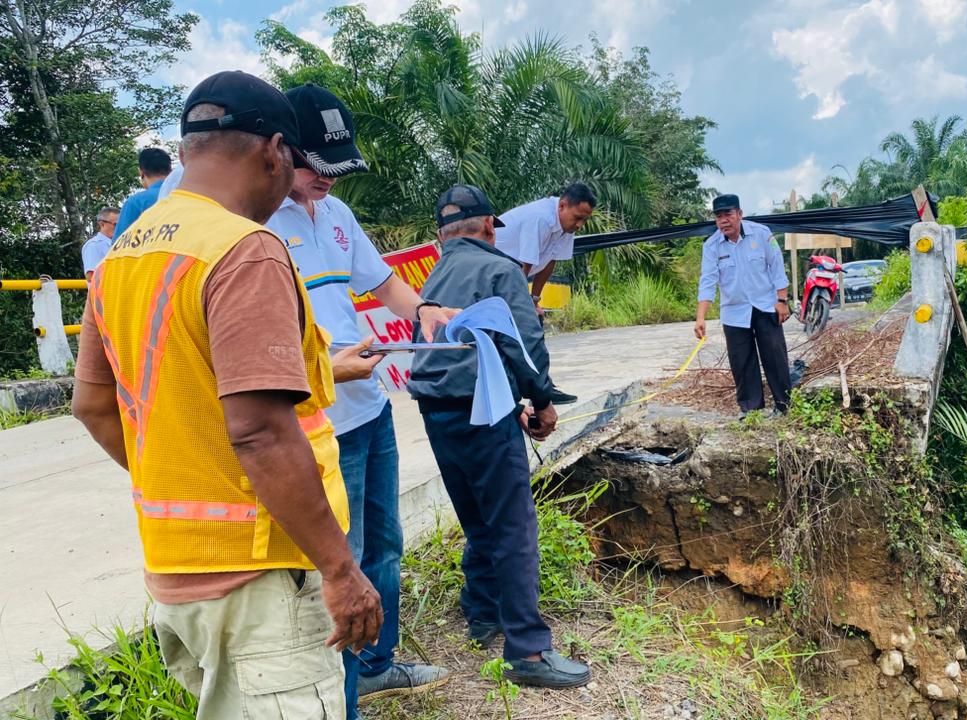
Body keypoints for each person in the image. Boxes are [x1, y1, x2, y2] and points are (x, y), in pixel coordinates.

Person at [71, 70, 381, 719]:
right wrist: (340, 570)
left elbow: (93, 405)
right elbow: (261, 431)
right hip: (262, 578)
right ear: (276, 151)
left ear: (187, 151)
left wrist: (184, 475)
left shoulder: (120, 256)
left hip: (176, 577)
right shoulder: (245, 250)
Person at [269, 82, 452, 716]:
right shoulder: (256, 223)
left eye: (338, 168)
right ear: (278, 149)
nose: (328, 180)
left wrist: (426, 311)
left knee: (385, 546)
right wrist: (328, 370)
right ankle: (338, 690)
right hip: (318, 422)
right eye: (316, 167)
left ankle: (375, 665)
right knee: (339, 562)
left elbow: (383, 284)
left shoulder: (337, 215)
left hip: (370, 410)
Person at [407, 184, 592, 689]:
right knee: (513, 526)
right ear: (490, 226)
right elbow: (523, 342)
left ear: (441, 234)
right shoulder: (500, 269)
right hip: (483, 411)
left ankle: (483, 612)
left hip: (436, 409)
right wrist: (542, 400)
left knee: (478, 517)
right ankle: (527, 651)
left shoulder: (432, 277)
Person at [493, 183, 597, 405]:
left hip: (512, 275)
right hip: (493, 275)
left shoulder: (566, 227)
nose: (580, 225)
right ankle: (533, 390)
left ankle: (542, 388)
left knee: (534, 321)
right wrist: (523, 303)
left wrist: (534, 300)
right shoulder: (540, 218)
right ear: (562, 205)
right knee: (521, 329)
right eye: (578, 218)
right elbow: (525, 265)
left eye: (585, 220)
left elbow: (550, 261)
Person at [693, 194, 793, 418]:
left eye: (728, 214)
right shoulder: (712, 246)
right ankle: (751, 410)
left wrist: (782, 301)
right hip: (734, 312)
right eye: (719, 216)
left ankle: (784, 405)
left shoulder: (762, 234)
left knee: (775, 356)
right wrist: (700, 318)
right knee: (742, 362)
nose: (723, 220)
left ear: (739, 214)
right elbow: (707, 281)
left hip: (766, 306)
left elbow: (777, 266)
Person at [113, 147, 172, 239]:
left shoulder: (135, 203)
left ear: (141, 173)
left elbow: (119, 242)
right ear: (170, 171)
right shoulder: (185, 197)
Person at [81, 206, 118, 278]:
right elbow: (91, 276)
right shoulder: (94, 245)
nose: (119, 227)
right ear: (102, 224)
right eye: (115, 224)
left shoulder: (119, 244)